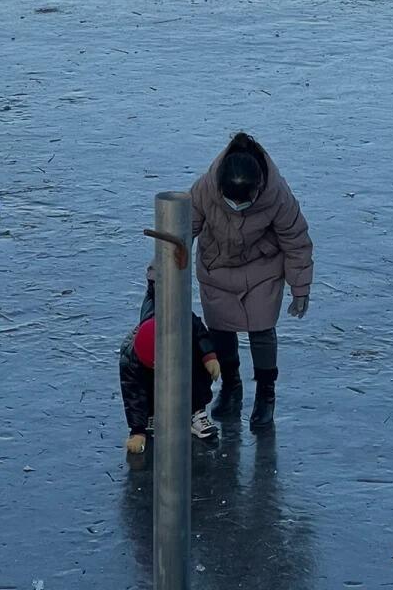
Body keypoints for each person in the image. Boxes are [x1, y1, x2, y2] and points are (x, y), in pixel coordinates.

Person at [190, 132, 311, 428]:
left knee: (262, 330)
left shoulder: (278, 195)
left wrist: (300, 288)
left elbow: (296, 240)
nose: (236, 207)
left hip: (262, 268)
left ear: (258, 189)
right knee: (219, 330)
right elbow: (181, 229)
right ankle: (231, 387)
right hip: (216, 265)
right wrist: (160, 274)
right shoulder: (205, 189)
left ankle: (265, 394)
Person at [119, 268, 220, 453]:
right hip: (150, 359)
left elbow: (199, 331)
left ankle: (196, 412)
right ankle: (151, 413)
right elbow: (133, 394)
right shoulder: (130, 358)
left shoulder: (182, 321)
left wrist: (209, 356)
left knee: (196, 372)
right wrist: (137, 431)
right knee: (144, 385)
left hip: (184, 352)